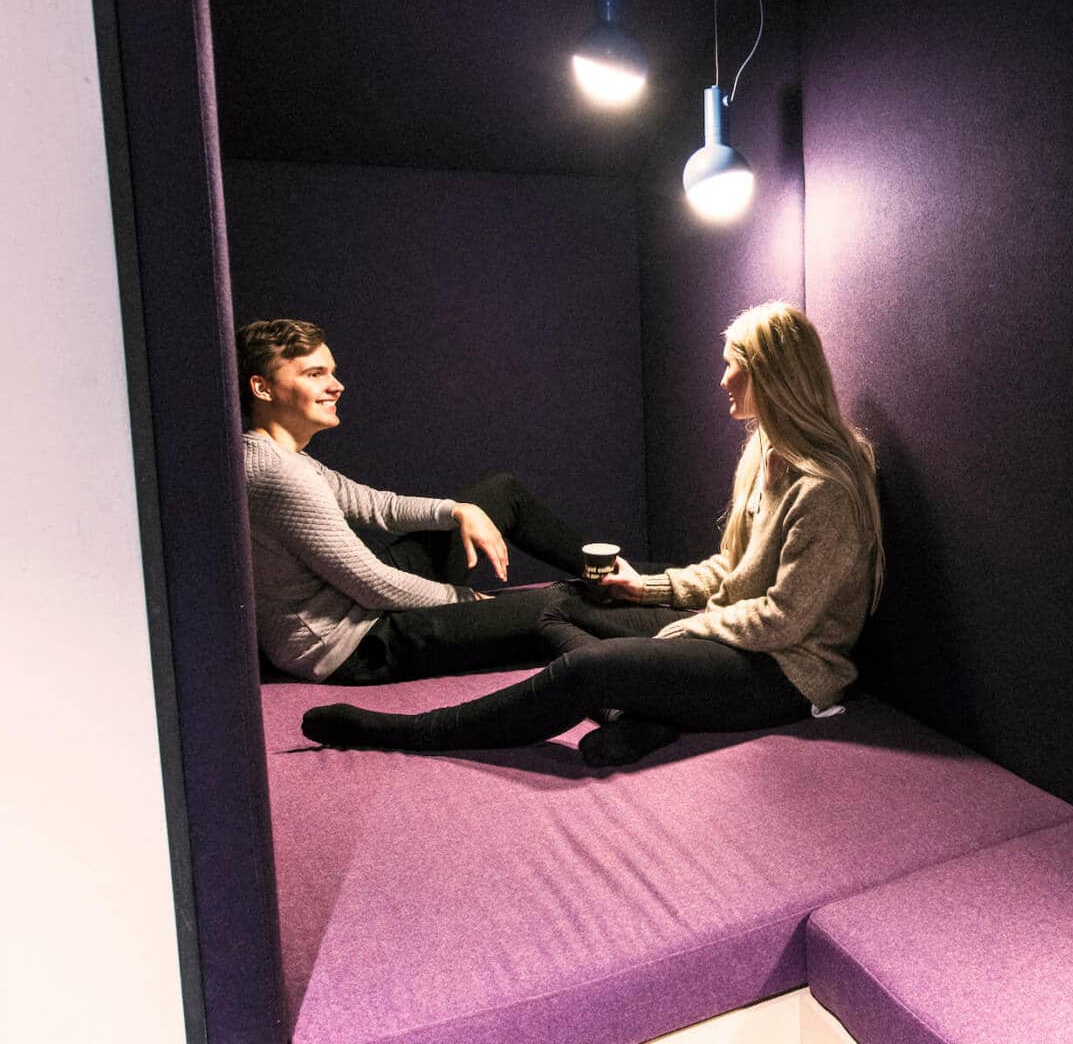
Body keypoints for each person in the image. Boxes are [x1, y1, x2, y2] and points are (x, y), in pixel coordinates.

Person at [301, 301, 884, 766]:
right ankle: (646, 715)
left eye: (735, 364)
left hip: (785, 672)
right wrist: (650, 592)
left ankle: (398, 733)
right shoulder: (763, 450)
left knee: (588, 670)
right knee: (556, 606)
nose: (724, 378)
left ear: (772, 377)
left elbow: (786, 619)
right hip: (733, 634)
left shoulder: (824, 487)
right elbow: (730, 571)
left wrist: (684, 630)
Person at [239, 317, 595, 684]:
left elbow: (378, 507)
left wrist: (458, 510)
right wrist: (466, 600)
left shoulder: (280, 456)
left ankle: (619, 574)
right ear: (263, 388)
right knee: (552, 609)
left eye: (332, 372)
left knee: (500, 495)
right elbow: (371, 585)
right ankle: (643, 615)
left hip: (355, 603)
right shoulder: (280, 474)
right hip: (350, 644)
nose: (337, 386)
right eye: (315, 374)